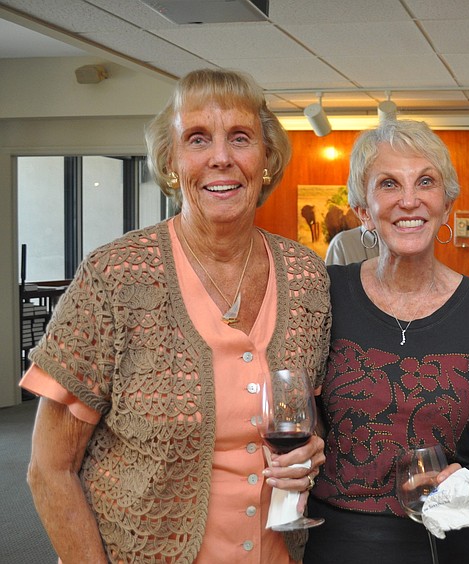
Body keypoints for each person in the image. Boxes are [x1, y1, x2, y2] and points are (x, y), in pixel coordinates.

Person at [22, 69, 331, 563]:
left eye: (240, 138)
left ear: (267, 160)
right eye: (198, 139)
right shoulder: (115, 277)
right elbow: (49, 469)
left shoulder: (306, 276)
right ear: (171, 162)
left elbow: (307, 414)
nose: (221, 157)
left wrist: (310, 449)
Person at [303, 119, 469, 563]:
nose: (410, 200)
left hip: (444, 543)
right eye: (389, 184)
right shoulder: (326, 292)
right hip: (334, 543)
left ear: (446, 203)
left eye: (426, 182)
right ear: (363, 209)